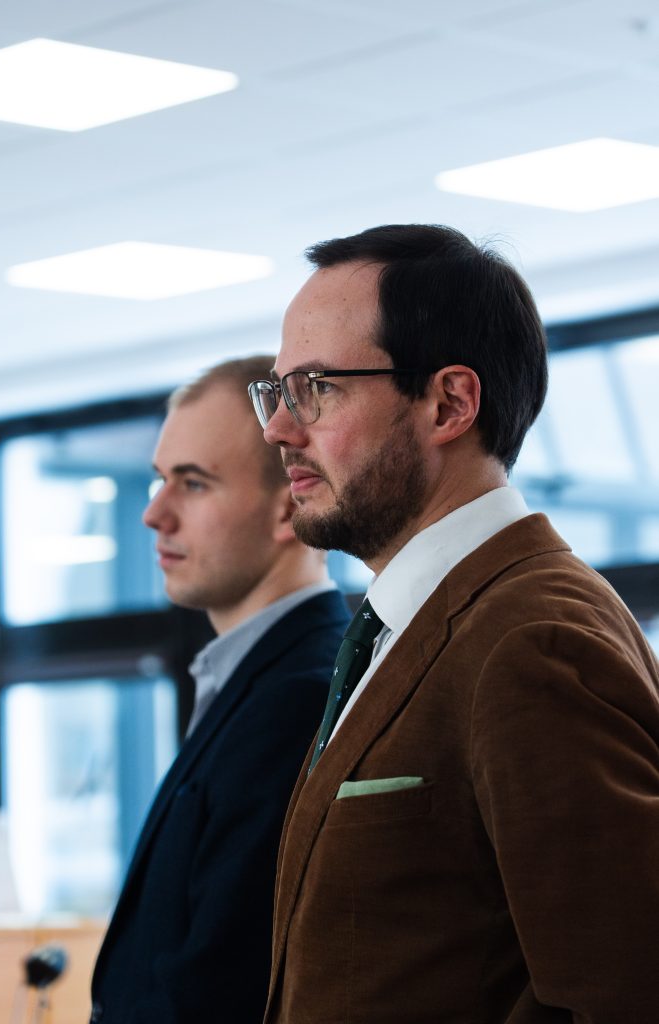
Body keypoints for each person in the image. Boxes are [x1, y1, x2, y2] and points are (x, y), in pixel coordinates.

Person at [248, 225, 659, 1024]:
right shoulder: (415, 622)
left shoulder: (531, 637)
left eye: (316, 388)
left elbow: (626, 993)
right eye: (277, 391)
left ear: (448, 404)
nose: (278, 428)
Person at [90, 356, 349, 1024]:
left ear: (290, 505)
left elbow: (221, 988)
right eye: (160, 480)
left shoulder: (300, 696)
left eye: (193, 483)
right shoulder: (252, 677)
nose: (154, 514)